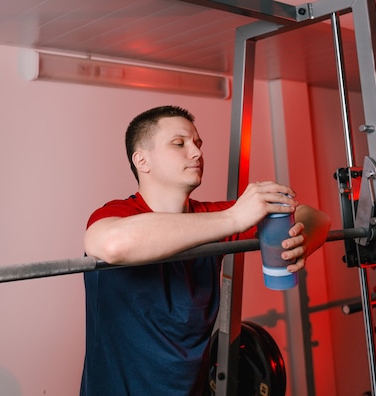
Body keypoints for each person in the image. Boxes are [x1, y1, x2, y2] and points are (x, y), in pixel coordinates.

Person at [80, 105, 331, 395]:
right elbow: (111, 245)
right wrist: (235, 218)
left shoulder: (211, 218)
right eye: (179, 144)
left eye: (198, 144)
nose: (197, 153)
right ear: (142, 160)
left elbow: (315, 216)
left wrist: (300, 239)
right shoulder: (118, 214)